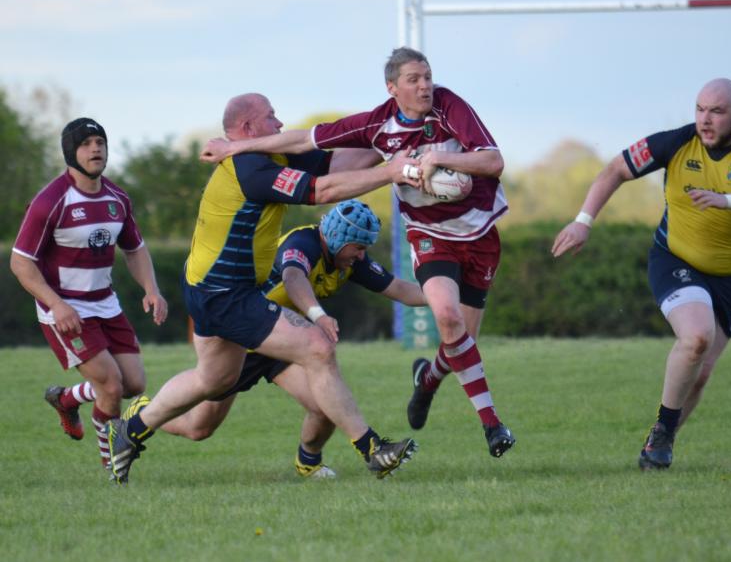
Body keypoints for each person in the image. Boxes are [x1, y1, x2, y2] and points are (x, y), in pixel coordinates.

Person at [200, 47, 515, 459]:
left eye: (427, 77)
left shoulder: (449, 106)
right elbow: (302, 138)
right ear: (392, 87)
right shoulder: (374, 127)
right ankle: (491, 426)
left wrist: (440, 157)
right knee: (448, 318)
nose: (424, 86)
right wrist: (232, 149)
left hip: (480, 232)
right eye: (414, 79)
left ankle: (426, 381)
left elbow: (493, 161)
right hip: (429, 235)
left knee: (461, 340)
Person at [105, 93, 422, 484]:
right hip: (224, 292)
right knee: (318, 348)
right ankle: (373, 449)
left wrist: (385, 143)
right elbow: (322, 191)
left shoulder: (271, 155)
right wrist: (392, 172)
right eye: (271, 117)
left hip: (215, 288)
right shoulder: (250, 168)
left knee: (213, 381)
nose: (279, 121)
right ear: (248, 129)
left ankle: (130, 431)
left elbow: (338, 162)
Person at [551, 78, 731, 470]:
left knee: (701, 372)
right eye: (699, 109)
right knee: (696, 338)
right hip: (674, 260)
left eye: (716, 112)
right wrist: (582, 221)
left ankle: (659, 442)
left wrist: (726, 200)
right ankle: (662, 433)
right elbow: (615, 170)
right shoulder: (677, 142)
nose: (705, 120)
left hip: (730, 277)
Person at [157, 199, 427, 478]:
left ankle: (311, 461)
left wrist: (445, 297)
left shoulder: (350, 260)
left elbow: (399, 288)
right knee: (199, 428)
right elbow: (293, 278)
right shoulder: (303, 243)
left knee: (325, 403)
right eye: (358, 247)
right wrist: (318, 315)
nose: (361, 256)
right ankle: (145, 413)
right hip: (243, 342)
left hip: (283, 344)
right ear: (337, 237)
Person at [10, 118, 168, 469]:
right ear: (71, 152)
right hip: (64, 309)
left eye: (100, 141)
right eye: (86, 143)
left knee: (134, 384)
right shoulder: (50, 201)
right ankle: (112, 465)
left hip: (105, 304)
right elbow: (21, 264)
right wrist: (57, 304)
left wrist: (151, 289)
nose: (95, 148)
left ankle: (67, 399)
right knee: (110, 387)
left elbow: (135, 249)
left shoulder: (117, 198)